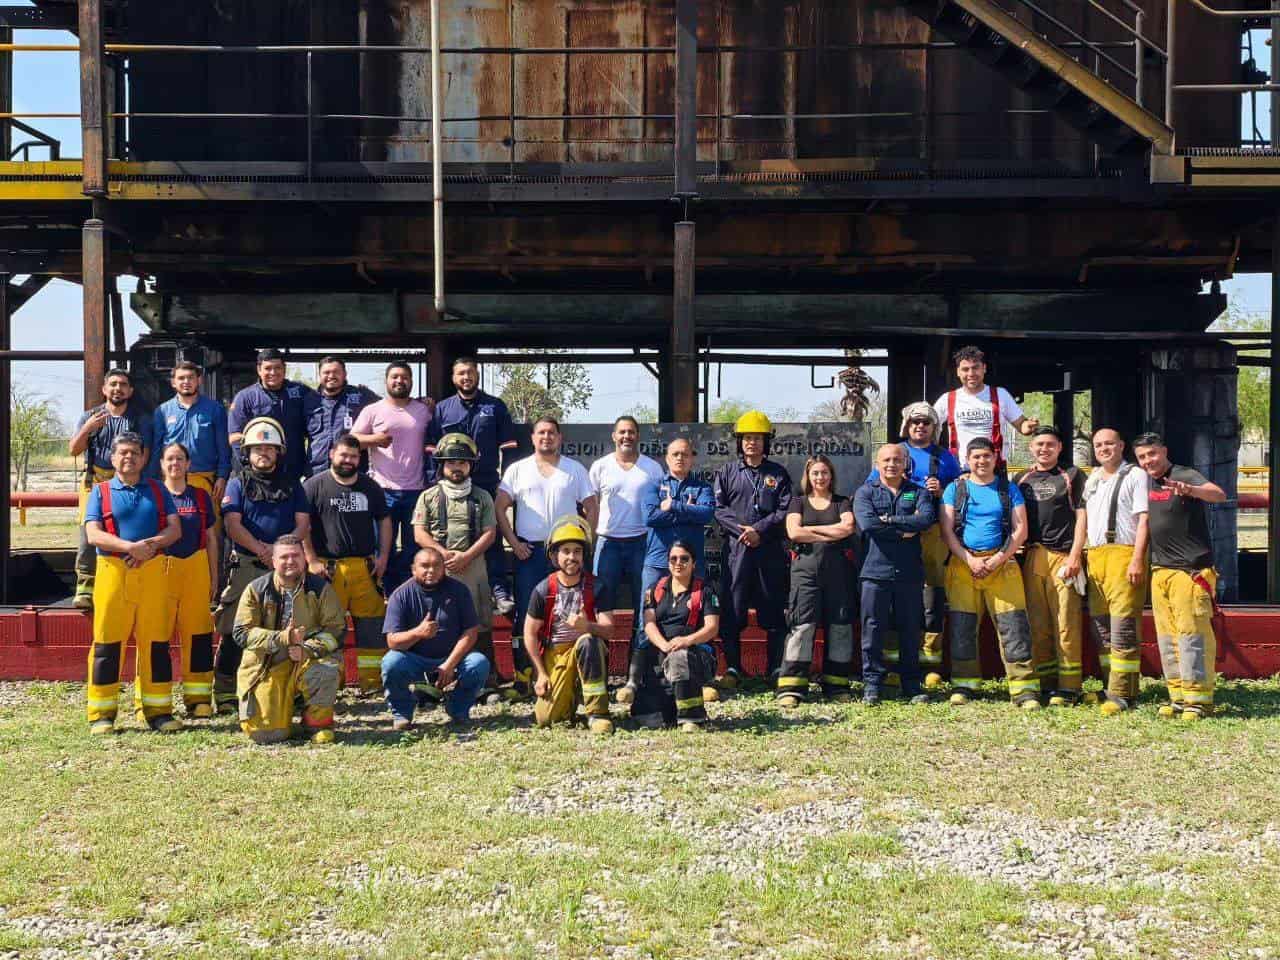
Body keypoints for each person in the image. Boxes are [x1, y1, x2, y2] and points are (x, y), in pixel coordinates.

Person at [82, 432, 181, 734]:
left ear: (143, 458)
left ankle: (157, 711)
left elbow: (174, 530)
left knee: (156, 642)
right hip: (113, 571)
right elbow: (93, 535)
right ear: (113, 458)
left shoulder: (158, 489)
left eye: (135, 452)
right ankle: (102, 713)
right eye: (123, 452)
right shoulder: (100, 492)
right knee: (108, 643)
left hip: (152, 571)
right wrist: (130, 548)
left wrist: (148, 546)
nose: (129, 457)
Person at [212, 417, 310, 711]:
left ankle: (289, 689)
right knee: (234, 628)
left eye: (269, 448)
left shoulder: (293, 484)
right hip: (247, 565)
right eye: (257, 448)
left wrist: (282, 553)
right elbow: (232, 524)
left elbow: (302, 524)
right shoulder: (236, 483)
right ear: (247, 453)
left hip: (286, 568)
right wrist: (264, 550)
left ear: (279, 452)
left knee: (288, 627)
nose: (263, 453)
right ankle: (226, 691)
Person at [495, 416, 598, 696]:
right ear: (532, 438)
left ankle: (568, 670)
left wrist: (586, 541)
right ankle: (523, 675)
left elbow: (591, 504)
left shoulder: (574, 470)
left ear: (560, 437)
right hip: (528, 551)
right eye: (541, 433)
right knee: (527, 614)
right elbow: (500, 506)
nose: (547, 438)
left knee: (569, 610)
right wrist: (513, 542)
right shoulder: (518, 470)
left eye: (552, 433)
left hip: (566, 551)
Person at [866, 402, 963, 688]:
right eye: (914, 422)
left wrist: (943, 491)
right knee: (896, 597)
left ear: (935, 428)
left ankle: (928, 663)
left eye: (926, 423)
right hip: (895, 538)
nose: (919, 427)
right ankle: (893, 664)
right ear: (906, 426)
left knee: (932, 597)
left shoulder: (946, 459)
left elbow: (962, 496)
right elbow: (871, 490)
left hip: (932, 534)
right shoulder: (893, 453)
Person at [940, 437, 1039, 709]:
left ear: (995, 458)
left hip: (1002, 565)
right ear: (967, 460)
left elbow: (1021, 530)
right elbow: (947, 530)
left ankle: (1023, 689)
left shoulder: (1008, 489)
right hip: (964, 565)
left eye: (986, 456)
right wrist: (969, 559)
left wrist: (997, 559)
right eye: (975, 457)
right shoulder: (954, 489)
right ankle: (964, 685)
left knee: (1014, 626)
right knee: (962, 626)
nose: (981, 461)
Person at [1133, 432, 1227, 720]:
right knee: (1168, 638)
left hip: (1190, 571)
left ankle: (1199, 701)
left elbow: (1219, 494)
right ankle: (1178, 697)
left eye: (1152, 454)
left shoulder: (1184, 474)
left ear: (1164, 451)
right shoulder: (1146, 481)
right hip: (1161, 571)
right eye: (1142, 457)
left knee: (1192, 637)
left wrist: (1191, 490)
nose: (1148, 460)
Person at [623, 437, 715, 704]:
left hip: (689, 563)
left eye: (685, 454)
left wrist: (673, 506)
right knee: (646, 620)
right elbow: (650, 517)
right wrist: (688, 511)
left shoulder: (702, 487)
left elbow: (706, 514)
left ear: (692, 458)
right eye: (675, 454)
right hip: (657, 561)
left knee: (696, 615)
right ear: (666, 457)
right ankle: (634, 680)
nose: (680, 458)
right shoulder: (653, 485)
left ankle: (701, 679)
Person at [426, 356, 519, 614]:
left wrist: (505, 480)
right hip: (451, 484)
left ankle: (499, 590)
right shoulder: (443, 409)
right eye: (461, 374)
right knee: (448, 533)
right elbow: (431, 447)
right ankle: (442, 588)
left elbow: (509, 447)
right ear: (454, 378)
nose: (466, 377)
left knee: (491, 535)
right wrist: (436, 480)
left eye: (470, 373)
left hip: (486, 482)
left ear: (477, 375)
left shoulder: (495, 406)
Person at [412, 432, 501, 701]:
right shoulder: (428, 497)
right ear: (442, 465)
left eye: (462, 462)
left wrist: (466, 556)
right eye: (451, 462)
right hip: (437, 567)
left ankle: (485, 682)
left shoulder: (483, 497)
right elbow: (419, 533)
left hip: (474, 566)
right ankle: (430, 684)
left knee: (481, 620)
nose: (456, 467)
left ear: (471, 465)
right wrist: (443, 554)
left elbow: (490, 533)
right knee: (435, 621)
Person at [234, 535, 347, 745]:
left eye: (296, 555)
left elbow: (337, 629)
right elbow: (241, 632)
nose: (290, 561)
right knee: (268, 735)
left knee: (326, 671)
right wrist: (282, 638)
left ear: (304, 559)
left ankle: (317, 724)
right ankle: (283, 714)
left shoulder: (320, 588)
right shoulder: (257, 589)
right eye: (284, 557)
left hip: (307, 659)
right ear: (273, 561)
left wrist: (308, 649)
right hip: (268, 663)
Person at [302, 433, 392, 694]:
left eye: (353, 456)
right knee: (330, 628)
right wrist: (311, 560)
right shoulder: (314, 486)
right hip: (328, 569)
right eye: (343, 455)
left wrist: (384, 556)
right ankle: (332, 684)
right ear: (332, 454)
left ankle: (372, 684)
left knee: (372, 626)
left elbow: (384, 521)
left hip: (365, 568)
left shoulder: (370, 486)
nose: (348, 460)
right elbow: (303, 525)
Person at [713, 410, 793, 691]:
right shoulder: (727, 472)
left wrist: (759, 530)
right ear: (740, 442)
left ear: (766, 442)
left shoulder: (778, 473)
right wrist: (743, 531)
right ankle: (734, 668)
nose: (752, 443)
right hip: (736, 553)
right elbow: (719, 510)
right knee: (733, 611)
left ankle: (774, 668)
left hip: (769, 552)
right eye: (747, 438)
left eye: (758, 439)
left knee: (772, 610)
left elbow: (784, 509)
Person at [854, 444, 936, 706]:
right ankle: (872, 685)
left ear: (905, 464)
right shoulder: (865, 492)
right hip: (874, 572)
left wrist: (886, 520)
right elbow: (868, 525)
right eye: (886, 460)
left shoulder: (918, 492)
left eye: (897, 460)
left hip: (909, 573)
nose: (892, 464)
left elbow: (925, 520)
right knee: (873, 629)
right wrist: (901, 528)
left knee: (910, 629)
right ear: (877, 464)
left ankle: (911, 685)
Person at [1013, 427, 1087, 706]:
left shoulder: (1072, 475)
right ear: (1031, 448)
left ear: (1059, 448)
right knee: (1038, 623)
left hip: (1063, 557)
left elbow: (1082, 517)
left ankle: (1069, 687)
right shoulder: (1021, 478)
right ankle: (1045, 684)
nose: (1044, 449)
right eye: (1039, 444)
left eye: (1050, 445)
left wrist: (1075, 556)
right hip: (1033, 556)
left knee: (1065, 622)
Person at [589, 416, 664, 692]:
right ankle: (602, 674)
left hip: (641, 543)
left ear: (638, 436)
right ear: (613, 435)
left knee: (643, 608)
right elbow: (590, 504)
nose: (626, 437)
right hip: (607, 543)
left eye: (631, 432)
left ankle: (635, 677)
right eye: (622, 432)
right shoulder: (600, 467)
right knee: (602, 607)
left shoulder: (652, 468)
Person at [69, 368, 154, 609]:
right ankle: (86, 585)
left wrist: (128, 476)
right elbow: (73, 449)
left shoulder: (141, 419)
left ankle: (125, 578)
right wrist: (88, 428)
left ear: (130, 391)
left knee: (127, 528)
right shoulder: (90, 416)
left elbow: (145, 454)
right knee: (89, 531)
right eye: (113, 384)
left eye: (123, 384)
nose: (118, 388)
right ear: (104, 389)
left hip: (128, 480)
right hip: (95, 479)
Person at [381, 547, 490, 730]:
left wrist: (449, 664)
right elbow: (392, 641)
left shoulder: (459, 591)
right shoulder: (400, 596)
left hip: (451, 658)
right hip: (414, 659)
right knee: (391, 662)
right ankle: (402, 714)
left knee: (478, 663)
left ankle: (458, 709)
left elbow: (470, 632)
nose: (431, 571)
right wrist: (418, 633)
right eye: (424, 566)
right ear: (413, 569)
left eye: (436, 566)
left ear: (444, 568)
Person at [524, 516, 615, 734]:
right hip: (556, 655)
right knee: (547, 719)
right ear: (554, 556)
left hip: (588, 651)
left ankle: (597, 713)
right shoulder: (543, 589)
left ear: (584, 555)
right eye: (565, 551)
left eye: (577, 551)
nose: (571, 557)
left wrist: (588, 627)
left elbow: (610, 630)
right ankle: (571, 696)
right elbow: (529, 634)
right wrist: (541, 673)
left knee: (587, 642)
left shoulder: (597, 586)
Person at [779, 455, 857, 707]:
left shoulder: (842, 502)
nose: (820, 477)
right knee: (802, 626)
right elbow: (793, 532)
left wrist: (811, 532)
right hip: (805, 574)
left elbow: (847, 529)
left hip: (839, 574)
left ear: (831, 475)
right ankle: (792, 687)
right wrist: (829, 532)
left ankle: (836, 685)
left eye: (824, 473)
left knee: (840, 627)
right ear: (808, 476)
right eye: (815, 473)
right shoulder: (797, 502)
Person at [351, 361, 434, 592]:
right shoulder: (372, 410)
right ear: (387, 381)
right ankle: (383, 592)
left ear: (411, 381)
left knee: (413, 548)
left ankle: (409, 592)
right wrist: (374, 440)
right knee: (381, 547)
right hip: (382, 490)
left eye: (404, 377)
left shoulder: (423, 410)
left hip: (417, 491)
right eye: (395, 377)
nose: (400, 381)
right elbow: (352, 440)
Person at [1083, 428, 1149, 715]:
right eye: (1098, 444)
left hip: (1123, 553)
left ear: (1121, 445)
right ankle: (1111, 685)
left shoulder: (1135, 475)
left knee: (1123, 627)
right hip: (1096, 557)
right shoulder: (1093, 478)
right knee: (1101, 627)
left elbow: (1143, 519)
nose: (1104, 448)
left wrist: (1137, 559)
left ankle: (1123, 693)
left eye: (1109, 443)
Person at [630, 540, 720, 731]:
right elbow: (649, 623)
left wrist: (685, 641)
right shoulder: (654, 590)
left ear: (694, 563)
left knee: (679, 657)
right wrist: (664, 645)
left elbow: (712, 628)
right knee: (650, 718)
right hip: (662, 652)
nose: (678, 563)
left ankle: (692, 718)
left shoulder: (705, 591)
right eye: (673, 559)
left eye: (684, 559)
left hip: (694, 654)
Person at [158, 441, 220, 719]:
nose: (175, 464)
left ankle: (198, 698)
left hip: (196, 567)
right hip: (160, 569)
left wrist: (214, 576)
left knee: (199, 636)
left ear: (188, 464)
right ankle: (151, 701)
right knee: (156, 637)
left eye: (180, 459)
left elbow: (210, 538)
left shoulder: (201, 496)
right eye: (170, 459)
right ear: (161, 464)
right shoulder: (153, 494)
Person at [932, 345, 1038, 471]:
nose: (971, 373)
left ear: (984, 368)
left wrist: (1029, 426)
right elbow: (930, 427)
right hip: (960, 471)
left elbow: (1021, 425)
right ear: (958, 372)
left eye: (975, 368)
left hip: (994, 470)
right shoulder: (947, 399)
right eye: (965, 369)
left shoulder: (1001, 394)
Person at [150, 360, 230, 524]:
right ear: (173, 382)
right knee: (170, 527)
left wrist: (222, 477)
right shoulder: (162, 411)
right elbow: (156, 449)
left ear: (199, 380)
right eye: (181, 378)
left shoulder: (215, 409)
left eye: (190, 378)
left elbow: (223, 447)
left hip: (206, 480)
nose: (186, 382)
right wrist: (153, 481)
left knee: (210, 530)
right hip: (171, 481)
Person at [228, 348, 318, 481]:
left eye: (277, 368)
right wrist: (249, 464)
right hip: (258, 473)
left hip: (293, 472)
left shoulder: (301, 392)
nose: (273, 373)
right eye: (268, 368)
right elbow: (234, 437)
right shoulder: (245, 397)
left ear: (284, 369)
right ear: (259, 370)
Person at [305, 356, 380, 477]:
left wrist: (419, 402)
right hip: (316, 473)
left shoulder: (361, 397)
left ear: (345, 374)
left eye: (336, 372)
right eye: (326, 372)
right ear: (319, 375)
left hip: (352, 473)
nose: (331, 376)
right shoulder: (308, 399)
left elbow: (390, 406)